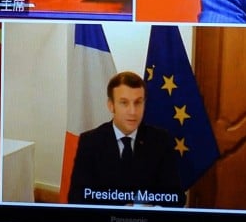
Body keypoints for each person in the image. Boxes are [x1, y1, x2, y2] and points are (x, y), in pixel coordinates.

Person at [68, 71, 183, 206]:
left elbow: (177, 197)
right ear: (111, 105)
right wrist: (119, 210)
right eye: (124, 103)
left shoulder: (161, 140)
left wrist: (151, 208)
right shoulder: (90, 142)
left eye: (138, 103)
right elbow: (77, 197)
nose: (133, 111)